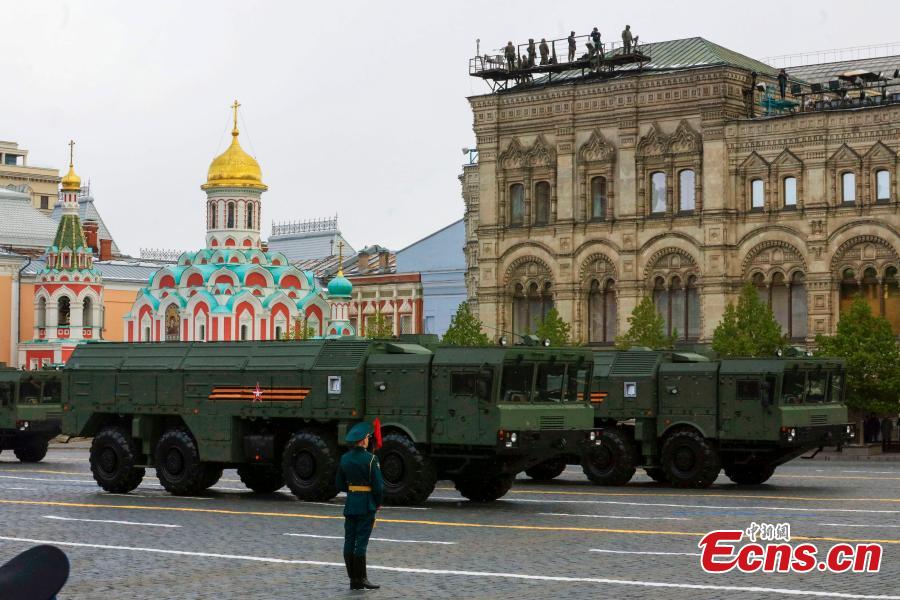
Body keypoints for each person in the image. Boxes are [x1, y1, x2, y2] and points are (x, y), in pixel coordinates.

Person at [336, 422, 384, 591]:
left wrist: (353, 491)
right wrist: (377, 503)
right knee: (361, 543)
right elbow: (378, 487)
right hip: (366, 505)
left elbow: (339, 484)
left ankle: (353, 579)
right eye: (367, 438)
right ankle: (362, 578)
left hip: (350, 505)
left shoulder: (344, 458)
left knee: (349, 540)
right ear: (363, 440)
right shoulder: (371, 459)